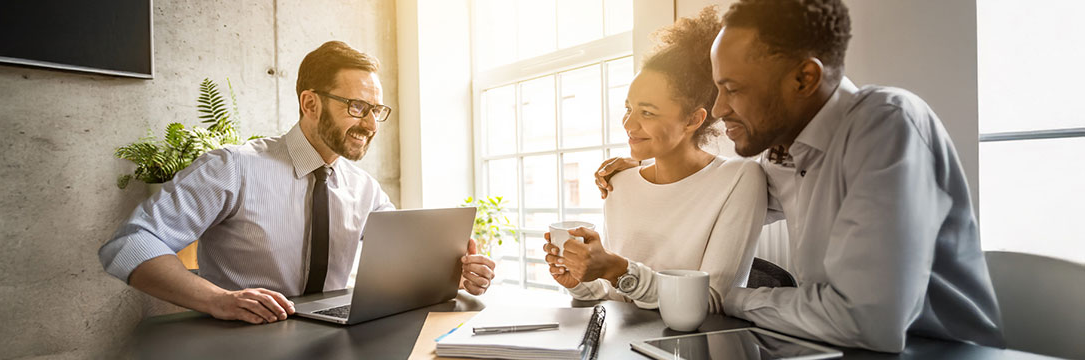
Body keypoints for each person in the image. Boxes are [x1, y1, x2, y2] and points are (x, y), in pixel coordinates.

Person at [594, 0, 1004, 353]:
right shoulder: (781, 156)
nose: (718, 109)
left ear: (803, 78)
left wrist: (729, 299)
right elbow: (716, 192)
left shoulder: (886, 126)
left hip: (936, 351)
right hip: (831, 346)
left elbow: (868, 323)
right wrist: (649, 170)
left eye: (733, 88)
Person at [99, 41, 496, 325]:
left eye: (376, 110)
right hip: (242, 339)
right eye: (357, 107)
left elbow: (402, 264)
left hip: (332, 338)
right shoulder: (234, 167)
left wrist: (451, 274)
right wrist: (220, 301)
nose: (371, 124)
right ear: (310, 103)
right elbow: (130, 243)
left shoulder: (365, 189)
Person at [543, 7, 767, 315]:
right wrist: (578, 278)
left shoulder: (740, 178)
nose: (629, 125)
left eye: (647, 112)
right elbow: (614, 295)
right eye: (628, 108)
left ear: (693, 119)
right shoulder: (618, 182)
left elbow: (711, 301)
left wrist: (617, 270)